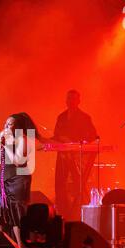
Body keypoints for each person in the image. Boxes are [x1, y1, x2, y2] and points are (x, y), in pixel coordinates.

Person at [0, 112, 41, 248]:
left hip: (17, 180)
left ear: (17, 127)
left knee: (16, 214)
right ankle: (6, 246)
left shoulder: (23, 139)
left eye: (10, 123)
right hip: (4, 179)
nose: (6, 125)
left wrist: (5, 145)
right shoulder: (9, 140)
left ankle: (21, 247)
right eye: (5, 123)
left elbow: (19, 161)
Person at [53, 89, 97, 220]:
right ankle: (63, 213)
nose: (70, 101)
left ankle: (80, 213)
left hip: (77, 156)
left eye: (73, 99)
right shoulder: (61, 117)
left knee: (78, 184)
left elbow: (93, 135)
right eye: (68, 99)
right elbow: (56, 135)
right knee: (59, 184)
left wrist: (77, 143)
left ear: (78, 101)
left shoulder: (84, 117)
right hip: (62, 155)